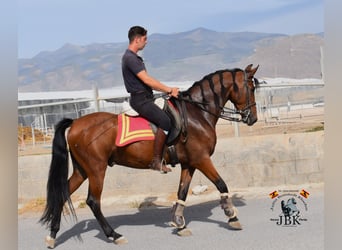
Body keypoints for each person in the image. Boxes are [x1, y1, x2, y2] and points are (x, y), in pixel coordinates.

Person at [121, 26, 179, 173]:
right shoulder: (130, 58)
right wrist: (169, 89)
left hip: (146, 97)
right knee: (165, 121)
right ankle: (156, 161)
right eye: (145, 39)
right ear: (137, 39)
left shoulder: (134, 58)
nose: (146, 42)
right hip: (140, 100)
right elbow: (147, 80)